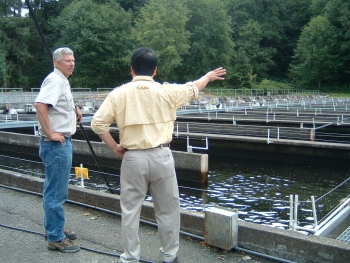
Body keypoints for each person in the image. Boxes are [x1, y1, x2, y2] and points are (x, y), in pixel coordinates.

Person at [91, 47, 226, 263]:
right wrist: (208, 77)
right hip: (161, 155)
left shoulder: (118, 93)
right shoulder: (167, 91)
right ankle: (169, 255)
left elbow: (97, 124)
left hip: (132, 157)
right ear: (155, 70)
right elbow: (195, 87)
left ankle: (130, 257)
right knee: (168, 210)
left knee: (130, 210)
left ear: (131, 69)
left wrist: (116, 147)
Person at [35, 47, 82, 253]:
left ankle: (54, 228)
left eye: (73, 60)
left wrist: (74, 111)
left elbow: (57, 106)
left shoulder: (62, 80)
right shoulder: (55, 80)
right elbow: (41, 105)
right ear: (57, 63)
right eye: (67, 61)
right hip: (56, 144)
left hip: (59, 143)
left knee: (53, 189)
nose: (72, 63)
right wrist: (51, 133)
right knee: (56, 192)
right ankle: (55, 236)